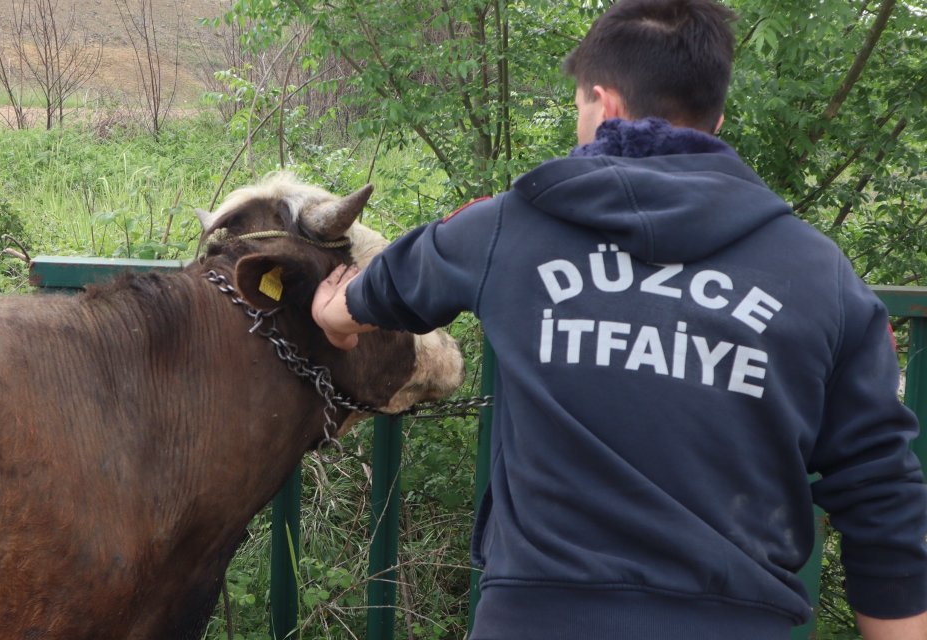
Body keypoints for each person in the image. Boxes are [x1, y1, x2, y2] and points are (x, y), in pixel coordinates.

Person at [310, 0, 927, 638]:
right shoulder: (821, 274)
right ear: (716, 120)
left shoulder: (508, 228)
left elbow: (398, 280)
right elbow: (880, 490)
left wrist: (337, 312)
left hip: (537, 620)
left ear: (602, 105)